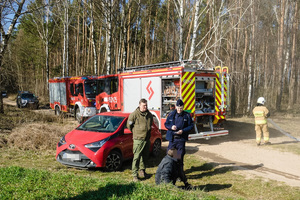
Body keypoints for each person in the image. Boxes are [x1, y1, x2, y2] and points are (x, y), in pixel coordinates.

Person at [164, 99, 193, 187]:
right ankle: (170, 175)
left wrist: (183, 131)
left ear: (183, 107)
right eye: (178, 108)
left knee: (179, 159)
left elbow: (191, 125)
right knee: (170, 157)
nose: (179, 110)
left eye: (181, 108)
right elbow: (166, 124)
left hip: (180, 140)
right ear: (176, 107)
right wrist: (171, 127)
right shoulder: (172, 114)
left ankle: (180, 175)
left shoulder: (186, 115)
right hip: (173, 140)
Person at [127, 98, 153, 182]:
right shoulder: (134, 114)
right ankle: (135, 175)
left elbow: (150, 124)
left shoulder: (149, 115)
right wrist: (136, 132)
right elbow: (129, 125)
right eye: (143, 105)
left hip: (146, 139)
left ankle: (142, 171)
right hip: (138, 139)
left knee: (145, 156)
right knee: (137, 157)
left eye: (146, 105)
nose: (145, 107)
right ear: (139, 105)